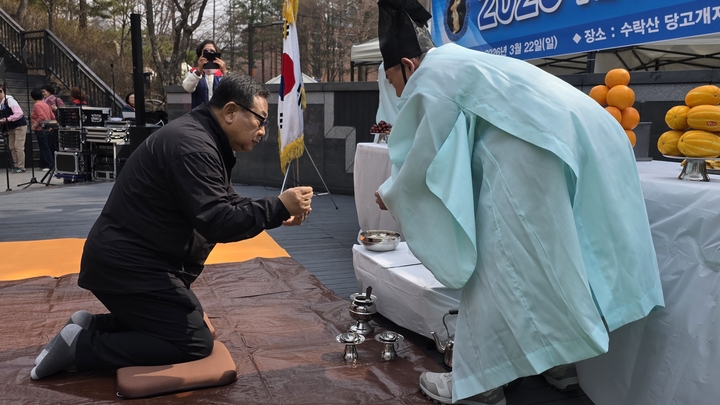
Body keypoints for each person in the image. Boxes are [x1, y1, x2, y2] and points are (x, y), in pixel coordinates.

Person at [373, 1, 664, 404]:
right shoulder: (463, 60)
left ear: (407, 64)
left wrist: (392, 191)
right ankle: (560, 362)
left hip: (537, 150)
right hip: (595, 134)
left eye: (393, 81)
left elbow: (427, 154)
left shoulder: (432, 74)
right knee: (565, 254)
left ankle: (479, 383)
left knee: (498, 261)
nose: (396, 92)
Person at [30, 73, 314, 380]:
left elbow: (225, 201)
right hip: (127, 265)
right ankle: (81, 347)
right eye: (260, 120)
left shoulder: (202, 137)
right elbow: (217, 221)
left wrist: (277, 211)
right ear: (231, 111)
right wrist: (278, 206)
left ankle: (92, 325)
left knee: (192, 325)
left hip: (137, 258)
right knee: (193, 341)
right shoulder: (194, 146)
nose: (263, 131)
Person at [182, 39, 227, 108]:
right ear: (200, 55)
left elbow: (234, 91)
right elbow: (187, 88)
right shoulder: (193, 72)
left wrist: (225, 72)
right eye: (205, 51)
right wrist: (199, 71)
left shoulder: (221, 74)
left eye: (212, 51)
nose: (209, 53)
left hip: (218, 113)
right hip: (199, 113)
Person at [0, 85, 28, 173]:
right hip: (10, 127)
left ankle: (21, 166)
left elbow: (19, 113)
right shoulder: (1, 104)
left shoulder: (10, 100)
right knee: (11, 146)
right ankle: (15, 165)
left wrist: (8, 119)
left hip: (19, 125)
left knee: (18, 146)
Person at [30, 88, 55, 171]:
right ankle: (43, 164)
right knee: (46, 147)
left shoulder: (37, 105)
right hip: (49, 128)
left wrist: (34, 125)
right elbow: (52, 116)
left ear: (32, 97)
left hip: (41, 129)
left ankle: (49, 164)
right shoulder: (46, 104)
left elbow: (42, 116)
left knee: (44, 147)